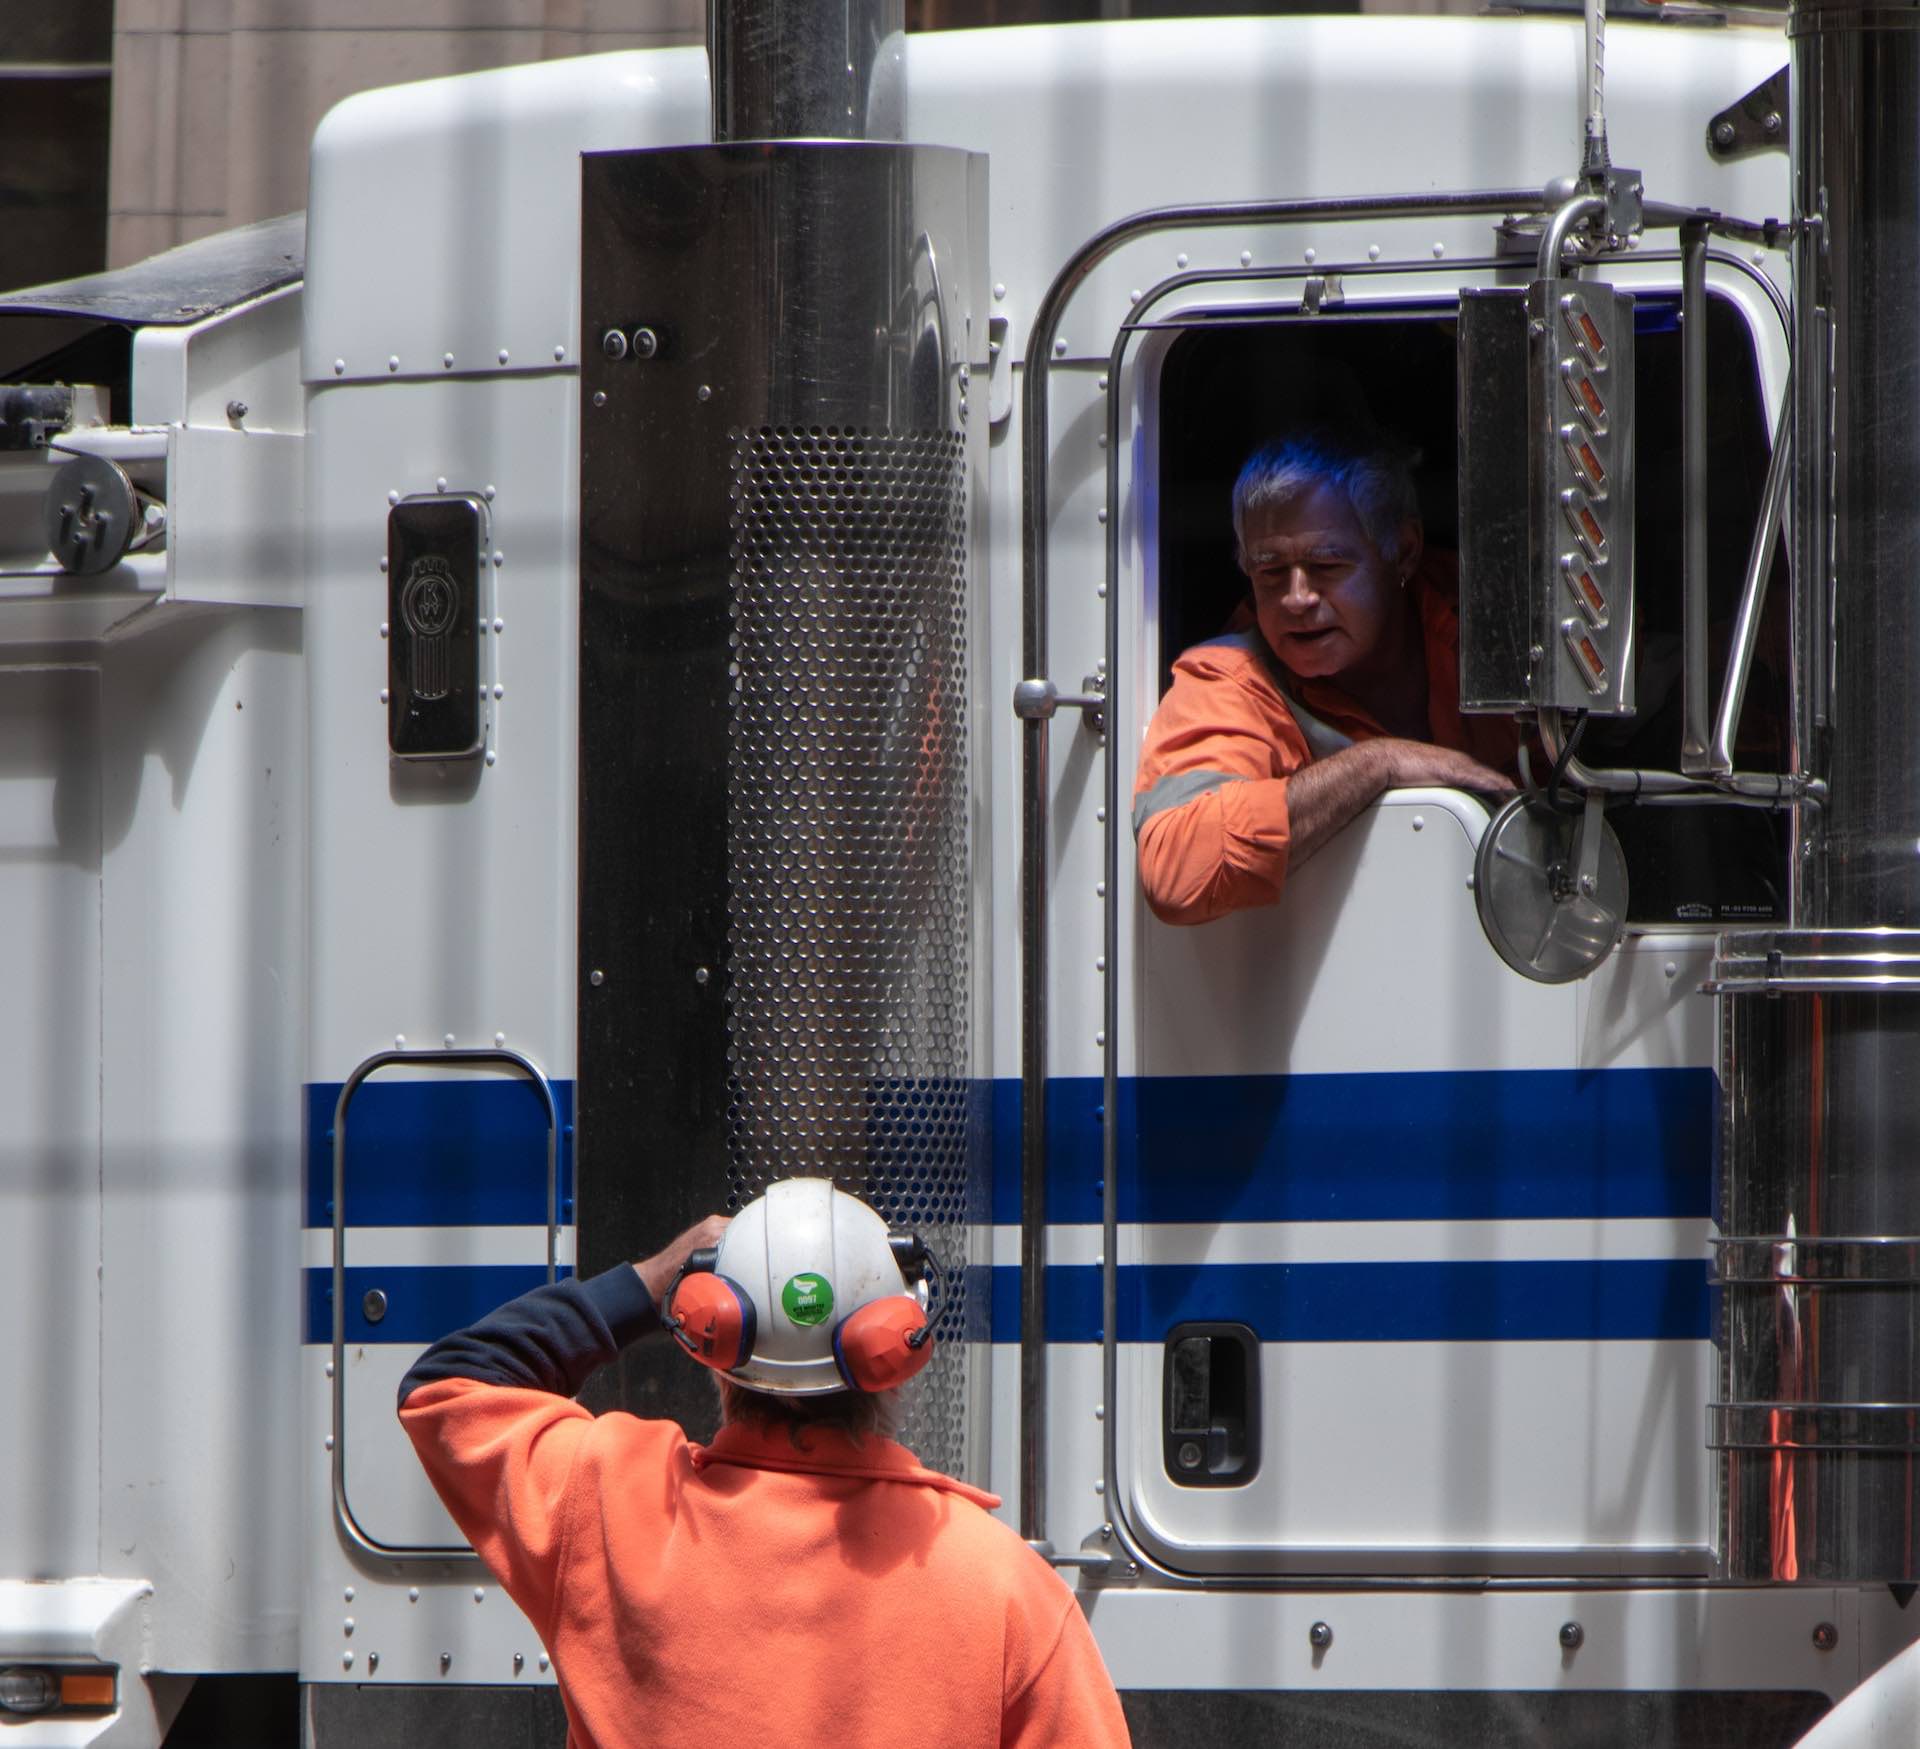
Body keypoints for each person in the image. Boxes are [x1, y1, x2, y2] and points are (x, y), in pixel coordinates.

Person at [399, 1176, 1132, 1748]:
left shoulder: (608, 1502)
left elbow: (450, 1381)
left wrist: (655, 1279)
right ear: (894, 1352)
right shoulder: (1006, 1588)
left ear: (714, 1345)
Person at [1135, 425, 1519, 925]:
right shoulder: (1228, 677)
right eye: (1270, 570)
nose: (1297, 598)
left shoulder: (1501, 618)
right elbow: (1176, 870)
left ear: (1402, 551)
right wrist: (1377, 764)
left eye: (1327, 564)